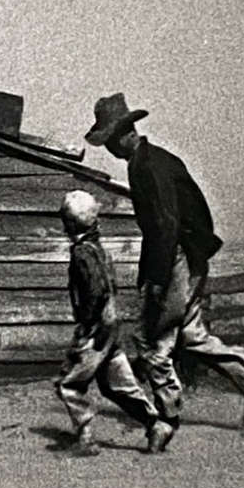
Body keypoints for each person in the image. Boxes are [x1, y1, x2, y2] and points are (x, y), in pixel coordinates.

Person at [83, 94, 244, 428]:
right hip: (185, 256)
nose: (109, 148)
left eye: (110, 140)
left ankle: (167, 414)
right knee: (192, 336)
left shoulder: (149, 167)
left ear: (126, 133)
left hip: (178, 258)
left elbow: (166, 226)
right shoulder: (150, 161)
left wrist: (156, 281)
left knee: (152, 339)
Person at [54, 190, 175, 456]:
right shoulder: (101, 250)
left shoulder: (82, 253)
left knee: (69, 382)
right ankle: (155, 424)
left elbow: (96, 291)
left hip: (96, 327)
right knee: (117, 384)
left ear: (70, 223)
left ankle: (85, 438)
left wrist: (89, 325)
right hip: (111, 325)